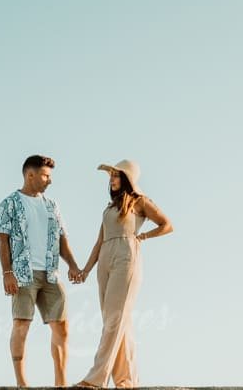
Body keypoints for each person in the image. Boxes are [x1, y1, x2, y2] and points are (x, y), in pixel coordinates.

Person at [73, 159, 173, 389]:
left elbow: (166, 224)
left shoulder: (140, 202)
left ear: (127, 179)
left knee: (114, 320)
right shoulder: (109, 208)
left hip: (127, 257)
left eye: (116, 176)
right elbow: (99, 241)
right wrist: (86, 270)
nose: (111, 179)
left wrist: (144, 237)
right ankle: (127, 380)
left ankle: (95, 379)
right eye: (111, 176)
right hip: (105, 260)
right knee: (119, 322)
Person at [0, 154, 84, 387]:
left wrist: (72, 264)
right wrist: (7, 273)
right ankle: (22, 383)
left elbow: (62, 239)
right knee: (21, 324)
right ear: (30, 174)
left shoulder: (52, 205)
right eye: (45, 175)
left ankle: (61, 383)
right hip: (23, 275)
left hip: (51, 275)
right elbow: (3, 240)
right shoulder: (9, 203)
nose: (49, 180)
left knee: (62, 326)